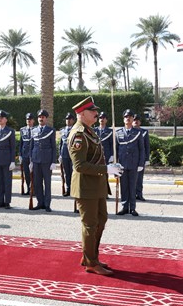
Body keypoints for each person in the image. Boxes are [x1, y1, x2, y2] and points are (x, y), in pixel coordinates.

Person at [68, 96, 124, 276]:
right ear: (82, 113)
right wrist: (106, 169)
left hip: (96, 186)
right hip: (86, 187)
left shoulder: (89, 131)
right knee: (90, 225)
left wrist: (109, 168)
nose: (96, 114)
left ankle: (90, 256)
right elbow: (79, 165)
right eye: (93, 111)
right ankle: (91, 262)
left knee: (101, 220)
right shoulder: (79, 134)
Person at [114, 109, 145, 216]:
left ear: (132, 119)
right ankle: (124, 207)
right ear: (123, 119)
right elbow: (116, 151)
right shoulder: (118, 133)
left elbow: (142, 149)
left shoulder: (137, 133)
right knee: (124, 186)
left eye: (130, 117)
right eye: (126, 117)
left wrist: (141, 164)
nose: (128, 118)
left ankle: (132, 207)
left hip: (133, 163)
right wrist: (115, 166)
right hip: (122, 164)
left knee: (132, 186)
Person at [29, 109, 56, 212]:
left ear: (46, 118)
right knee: (37, 183)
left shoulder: (51, 130)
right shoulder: (34, 130)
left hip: (46, 161)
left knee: (47, 183)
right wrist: (31, 161)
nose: (41, 118)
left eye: (43, 117)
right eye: (39, 117)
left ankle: (47, 204)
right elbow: (31, 146)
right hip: (36, 160)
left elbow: (53, 147)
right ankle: (40, 203)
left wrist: (53, 161)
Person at [0, 110, 16, 208]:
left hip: (6, 160)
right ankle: (0, 201)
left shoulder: (10, 131)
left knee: (7, 182)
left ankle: (7, 202)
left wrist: (13, 161)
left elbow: (13, 147)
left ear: (6, 120)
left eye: (1, 118)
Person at [134, 114, 150, 201]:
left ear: (140, 122)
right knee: (131, 178)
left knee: (139, 178)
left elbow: (147, 146)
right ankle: (132, 194)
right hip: (131, 158)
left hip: (141, 158)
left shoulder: (144, 132)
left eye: (138, 120)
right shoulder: (129, 131)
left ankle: (139, 194)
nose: (136, 121)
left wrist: (147, 159)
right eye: (134, 120)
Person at [59, 112, 76, 196]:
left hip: (73, 155)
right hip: (64, 154)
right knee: (66, 173)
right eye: (67, 119)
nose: (68, 121)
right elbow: (61, 144)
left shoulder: (76, 129)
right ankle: (68, 189)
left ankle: (73, 189)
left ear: (73, 120)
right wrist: (60, 155)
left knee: (73, 173)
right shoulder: (62, 130)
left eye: (69, 119)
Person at [19, 113, 35, 195]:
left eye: (30, 119)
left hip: (33, 155)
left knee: (35, 174)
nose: (28, 121)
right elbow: (21, 143)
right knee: (27, 173)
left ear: (33, 120)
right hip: (25, 155)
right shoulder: (22, 130)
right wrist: (20, 155)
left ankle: (35, 189)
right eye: (27, 119)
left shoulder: (36, 129)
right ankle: (28, 188)